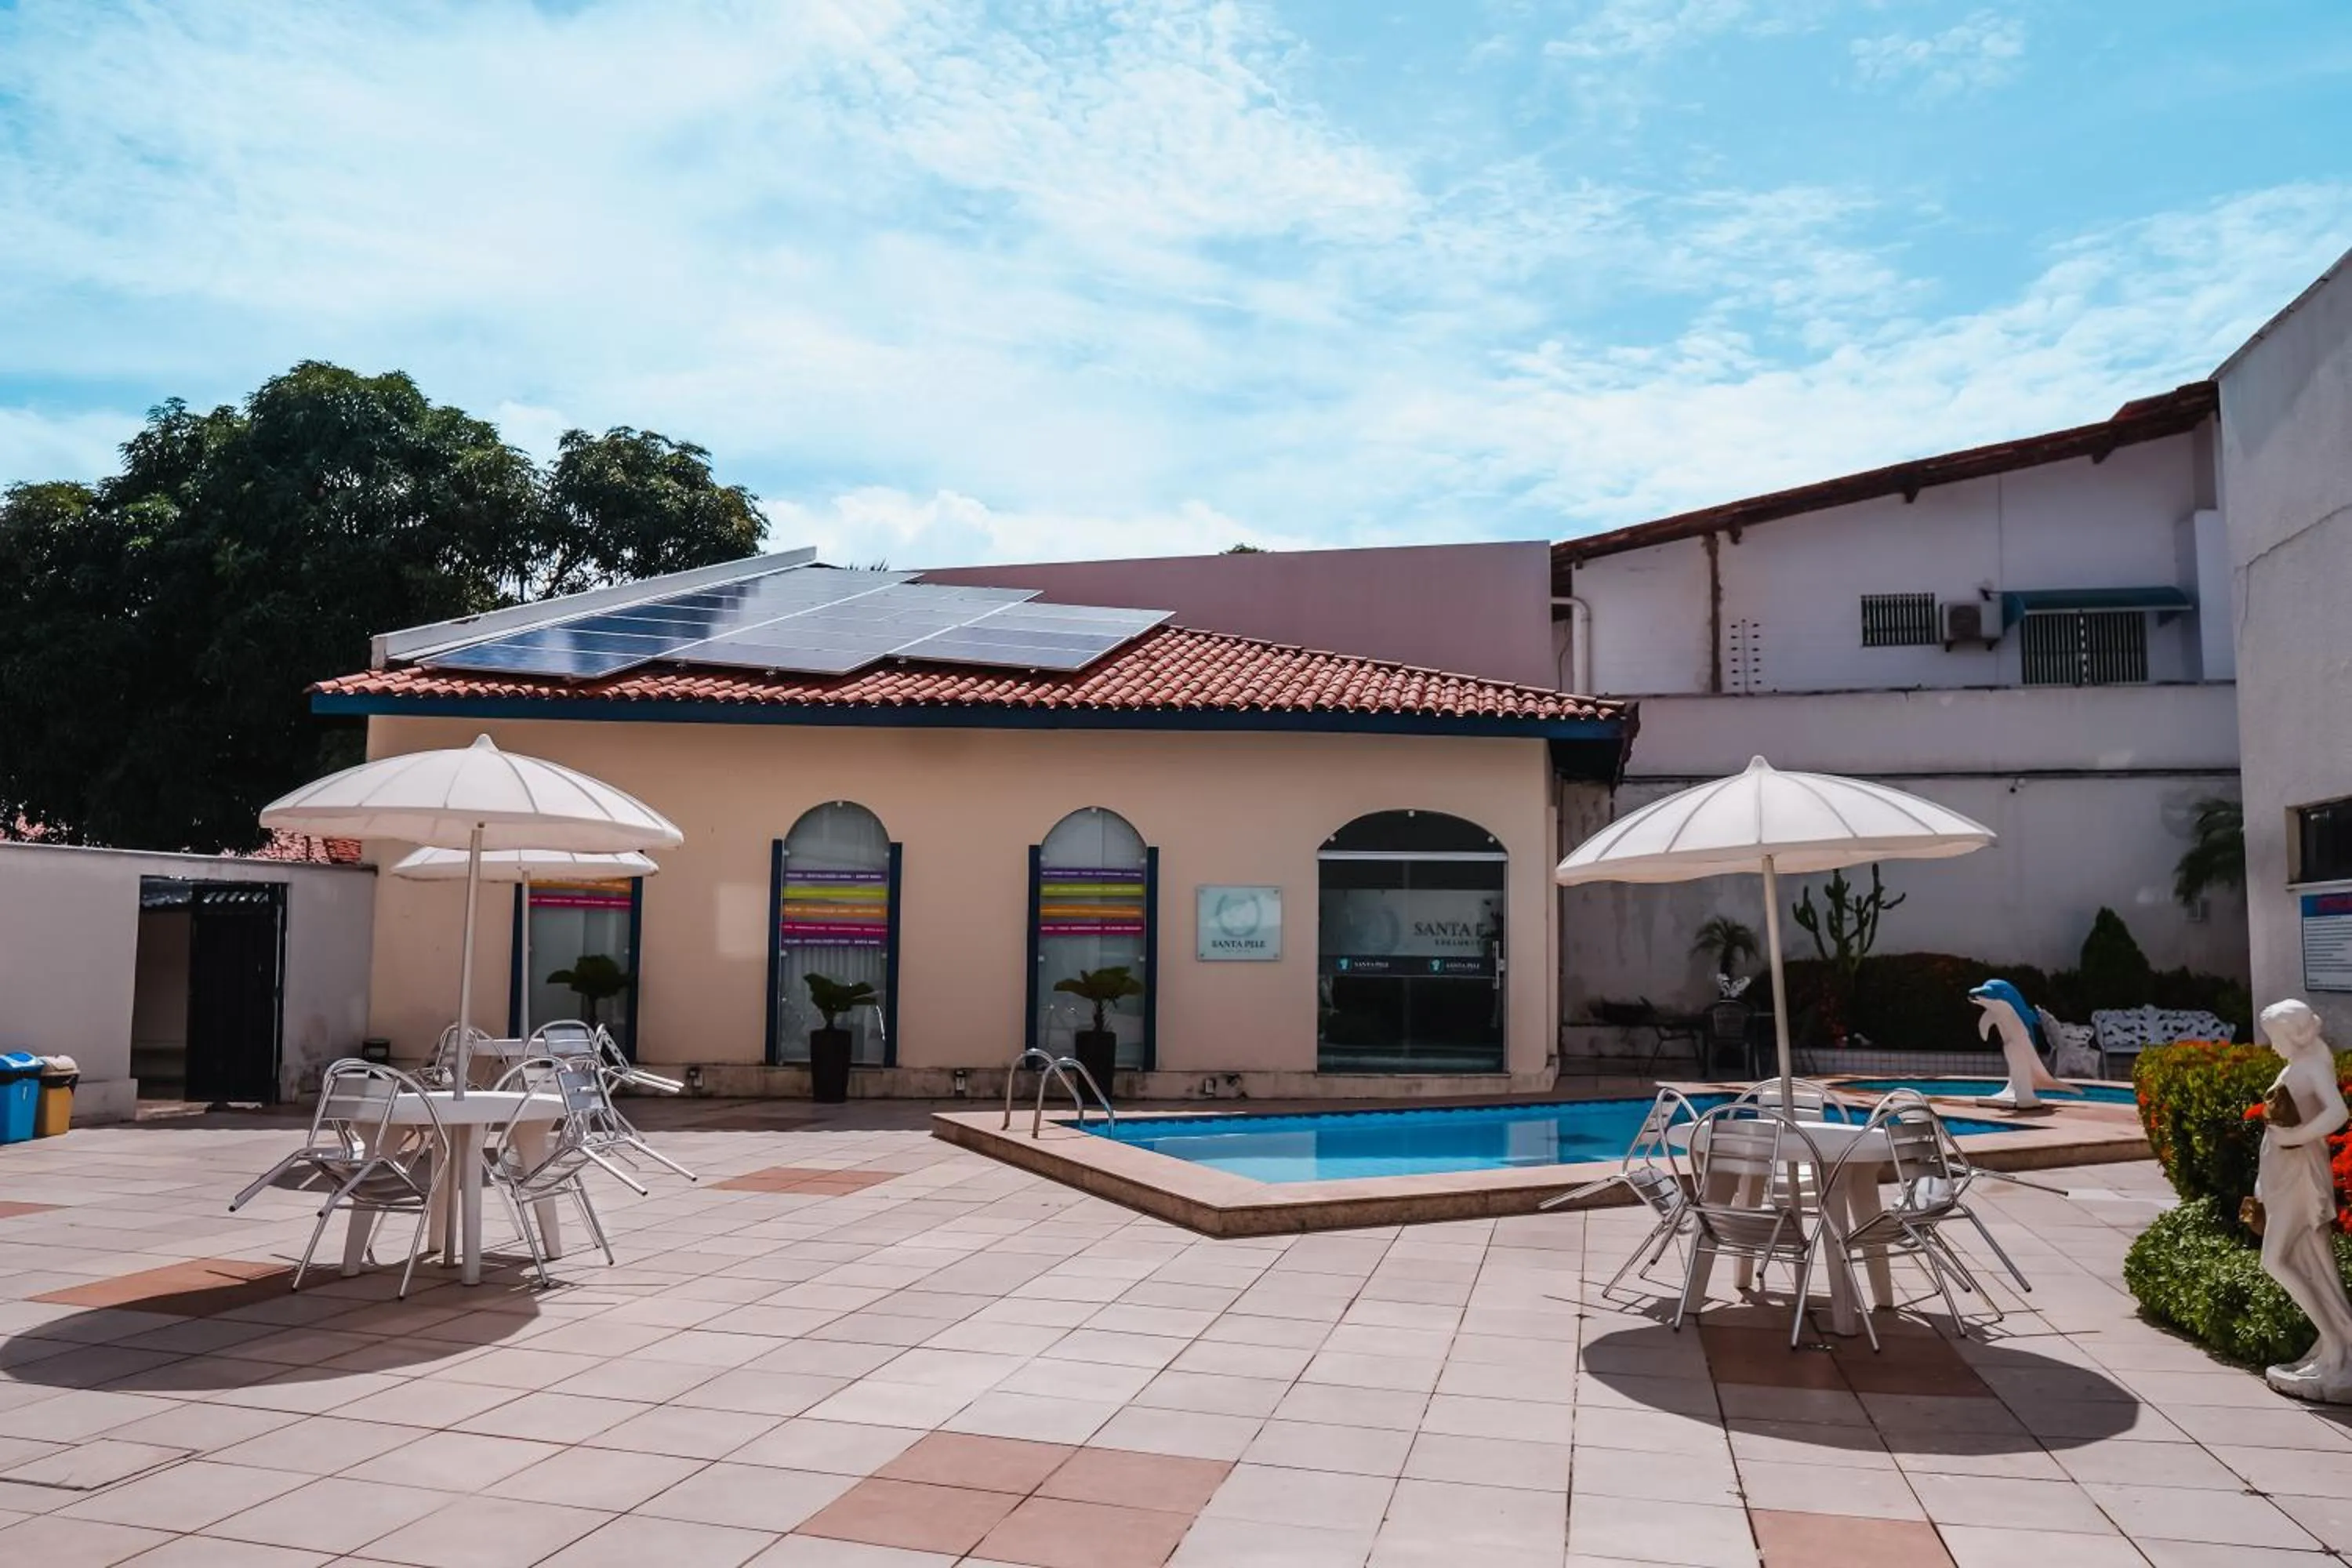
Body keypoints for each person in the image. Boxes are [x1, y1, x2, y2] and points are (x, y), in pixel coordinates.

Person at [2256, 999, 2352, 1402]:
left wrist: (2296, 1137)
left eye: (2275, 1036)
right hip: (2283, 1178)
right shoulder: (2300, 1063)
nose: (2272, 1044)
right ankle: (2335, 1345)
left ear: (2292, 1034)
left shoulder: (2312, 1067)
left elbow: (2337, 1113)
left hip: (2301, 1180)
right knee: (2312, 1262)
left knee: (2275, 1260)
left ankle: (2336, 1342)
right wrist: (2261, 1182)